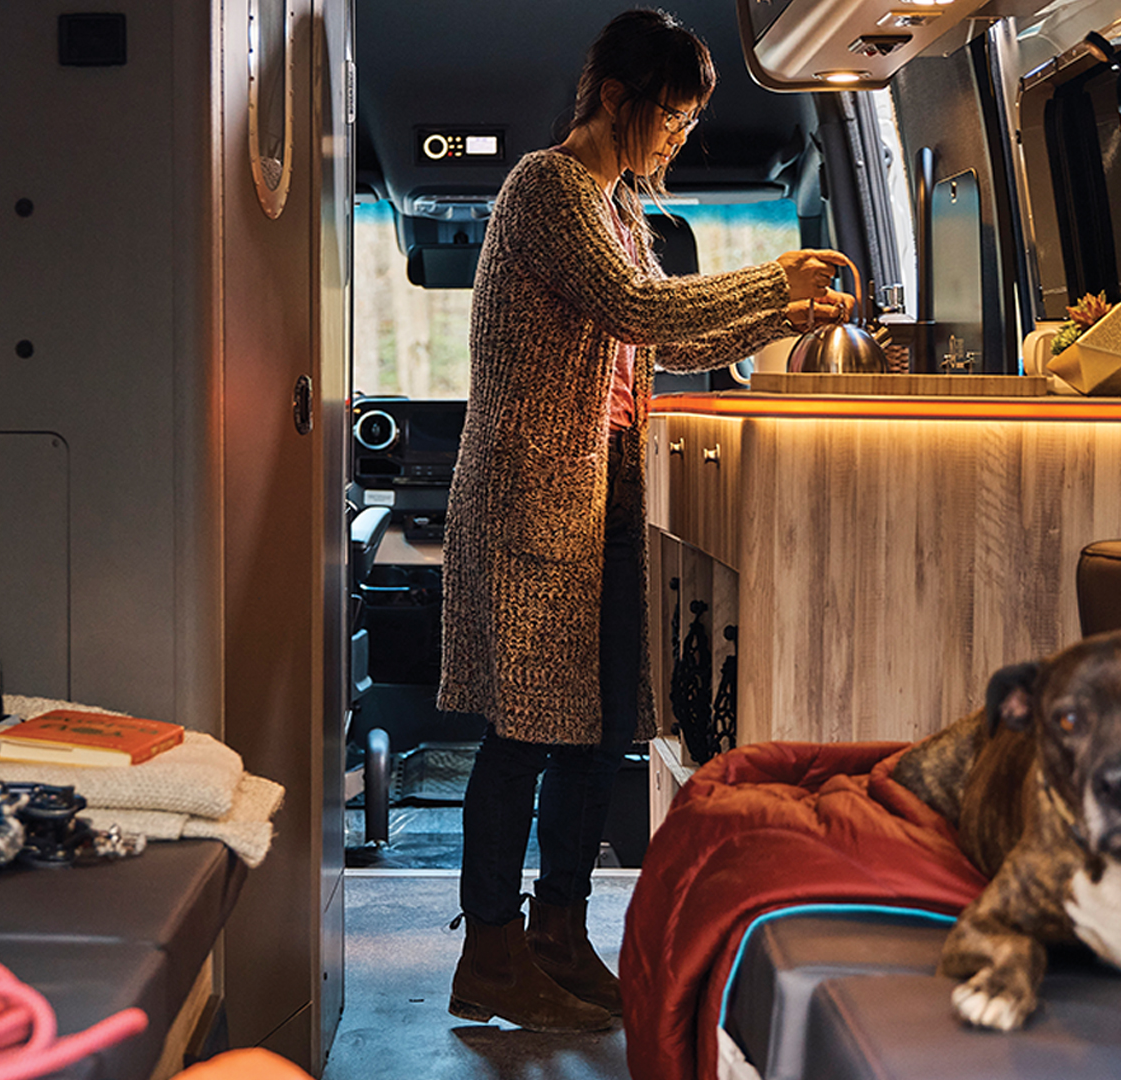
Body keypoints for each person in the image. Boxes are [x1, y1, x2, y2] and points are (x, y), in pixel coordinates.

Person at [436, 7, 859, 1033]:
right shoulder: (550, 189)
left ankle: (558, 933)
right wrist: (778, 278)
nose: (674, 139)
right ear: (616, 100)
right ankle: (487, 951)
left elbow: (655, 340)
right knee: (524, 735)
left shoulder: (618, 205)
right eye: (667, 118)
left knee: (599, 735)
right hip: (535, 497)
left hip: (605, 492)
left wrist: (787, 313)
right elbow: (641, 311)